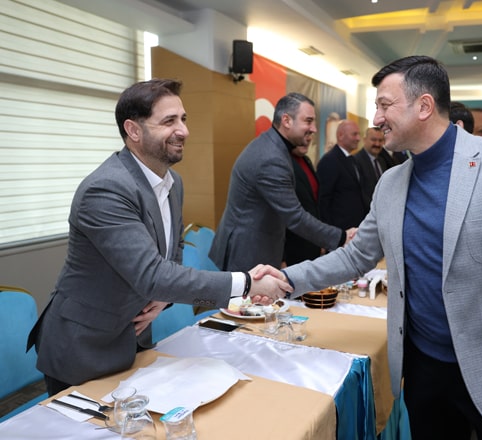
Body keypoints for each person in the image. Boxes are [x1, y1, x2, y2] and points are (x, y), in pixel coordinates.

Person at [264, 56, 482, 439]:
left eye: (384, 105)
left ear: (424, 106)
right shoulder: (391, 183)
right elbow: (356, 256)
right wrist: (284, 279)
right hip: (423, 371)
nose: (376, 119)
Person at [26, 79, 290, 396]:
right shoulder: (106, 189)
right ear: (133, 131)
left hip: (133, 338)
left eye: (183, 119)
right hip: (84, 347)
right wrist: (246, 284)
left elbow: (172, 252)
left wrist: (164, 298)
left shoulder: (172, 182)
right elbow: (152, 274)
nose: (184, 131)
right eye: (169, 121)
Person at [208, 93, 355, 271]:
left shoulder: (275, 147)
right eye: (308, 121)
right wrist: (341, 237)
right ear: (286, 121)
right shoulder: (271, 158)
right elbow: (295, 217)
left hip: (260, 248)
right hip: (247, 253)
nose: (314, 129)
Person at [316, 119, 370, 230]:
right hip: (339, 230)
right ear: (340, 135)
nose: (358, 138)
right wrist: (329, 232)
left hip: (355, 228)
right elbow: (324, 200)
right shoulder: (329, 161)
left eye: (359, 134)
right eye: (354, 134)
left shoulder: (352, 160)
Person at [283, 136, 322, 266]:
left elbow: (315, 203)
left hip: (311, 242)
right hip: (292, 247)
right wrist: (282, 258)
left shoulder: (306, 160)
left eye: (309, 135)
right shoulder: (283, 163)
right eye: (303, 135)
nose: (308, 139)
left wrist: (321, 241)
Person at [354, 126, 394, 203]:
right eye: (373, 140)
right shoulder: (356, 161)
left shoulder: (382, 161)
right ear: (364, 140)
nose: (377, 144)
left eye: (380, 140)